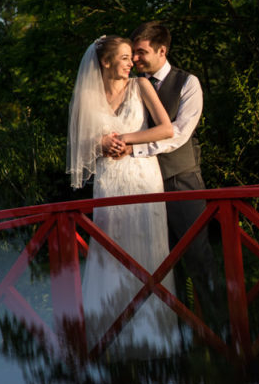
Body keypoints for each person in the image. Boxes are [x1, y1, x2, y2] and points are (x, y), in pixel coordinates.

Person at [66, 34, 178, 355]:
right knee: (111, 247)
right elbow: (79, 142)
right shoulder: (87, 94)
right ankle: (110, 332)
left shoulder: (141, 87)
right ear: (105, 61)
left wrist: (125, 139)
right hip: (109, 180)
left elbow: (166, 129)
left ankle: (154, 334)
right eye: (126, 57)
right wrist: (101, 144)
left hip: (143, 177)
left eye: (133, 56)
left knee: (148, 247)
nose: (133, 62)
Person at [107, 21, 224, 313]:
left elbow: (180, 133)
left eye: (141, 52)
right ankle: (180, 332)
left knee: (198, 257)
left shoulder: (189, 83)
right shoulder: (132, 86)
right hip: (144, 185)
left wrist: (133, 149)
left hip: (181, 180)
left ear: (162, 50)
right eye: (132, 53)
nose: (135, 59)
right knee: (161, 264)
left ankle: (224, 328)